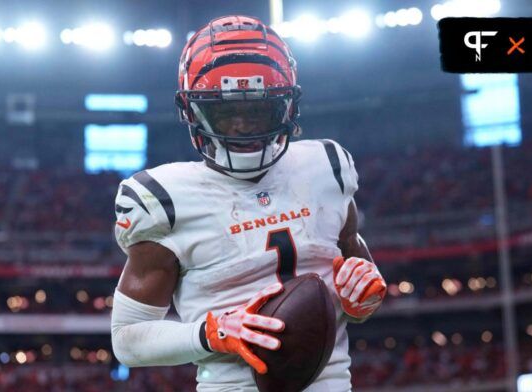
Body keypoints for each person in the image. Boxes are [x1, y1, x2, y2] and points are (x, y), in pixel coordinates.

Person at [110, 15, 386, 391]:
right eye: (226, 112)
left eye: (259, 110)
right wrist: (212, 333)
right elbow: (127, 340)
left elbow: (357, 270)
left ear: (288, 107)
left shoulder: (327, 167)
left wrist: (363, 296)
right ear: (192, 111)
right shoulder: (163, 198)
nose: (242, 126)